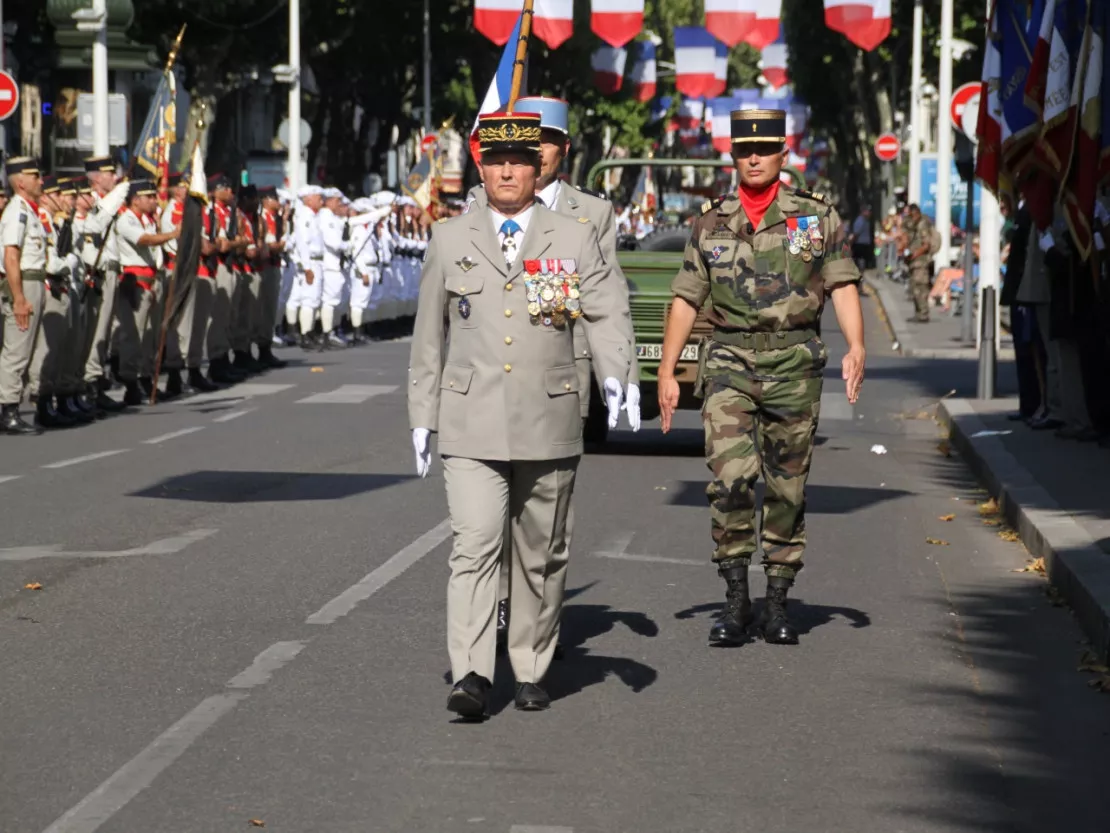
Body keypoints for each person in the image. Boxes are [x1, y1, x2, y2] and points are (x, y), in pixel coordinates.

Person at [408, 111, 634, 718]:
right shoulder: (451, 237)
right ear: (481, 167)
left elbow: (607, 309)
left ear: (540, 168)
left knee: (540, 552)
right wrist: (422, 414)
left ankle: (531, 665)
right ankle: (474, 674)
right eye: (496, 161)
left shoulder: (573, 234)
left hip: (549, 416)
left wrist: (617, 374)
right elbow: (428, 337)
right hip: (470, 422)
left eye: (521, 161)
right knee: (475, 544)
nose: (508, 172)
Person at [658, 109, 865, 647]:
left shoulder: (815, 218)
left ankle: (777, 602)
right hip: (728, 362)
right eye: (744, 150)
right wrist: (667, 369)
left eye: (764, 149)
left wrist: (856, 345)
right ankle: (734, 599)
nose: (753, 157)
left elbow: (841, 284)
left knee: (786, 486)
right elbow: (686, 297)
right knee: (729, 480)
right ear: (733, 156)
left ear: (782, 155)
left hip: (794, 363)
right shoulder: (711, 222)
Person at [904, 203, 934, 322]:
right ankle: (918, 313)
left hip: (921, 262)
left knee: (921, 287)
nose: (910, 218)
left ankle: (923, 314)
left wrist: (914, 254)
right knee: (914, 288)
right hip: (914, 262)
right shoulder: (914, 225)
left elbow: (926, 245)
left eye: (911, 215)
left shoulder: (922, 225)